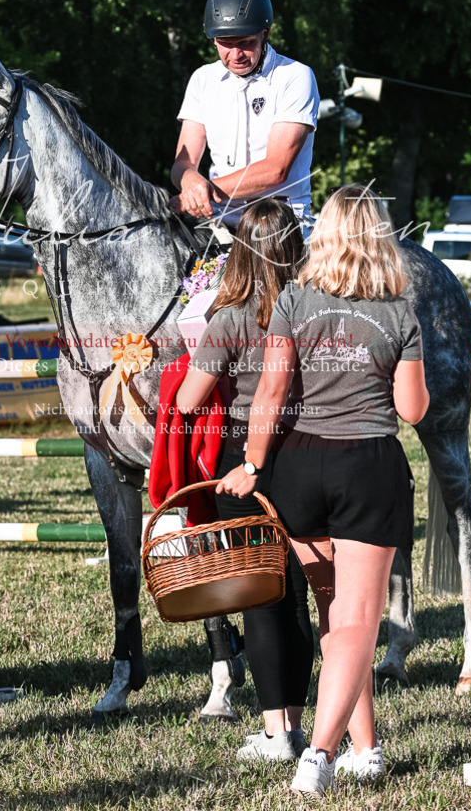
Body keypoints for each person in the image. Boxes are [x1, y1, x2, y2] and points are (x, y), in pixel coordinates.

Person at [217, 184, 430, 794]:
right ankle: (319, 755)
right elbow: (412, 411)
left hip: (299, 469)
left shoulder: (293, 300)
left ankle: (367, 749)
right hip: (367, 466)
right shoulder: (399, 311)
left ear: (327, 234)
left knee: (336, 616)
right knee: (359, 619)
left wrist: (254, 464)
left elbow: (272, 395)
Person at [175, 198, 314, 762]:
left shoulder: (229, 318)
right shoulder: (312, 306)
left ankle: (274, 731)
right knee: (299, 596)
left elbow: (188, 400)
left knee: (258, 596)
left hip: (244, 461)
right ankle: (301, 725)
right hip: (307, 452)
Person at [170, 0, 319, 232]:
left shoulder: (296, 76)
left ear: (265, 33)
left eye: (245, 42)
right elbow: (182, 164)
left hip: (279, 223)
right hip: (216, 221)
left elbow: (276, 170)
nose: (236, 54)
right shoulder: (202, 79)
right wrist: (190, 180)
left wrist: (200, 193)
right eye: (225, 43)